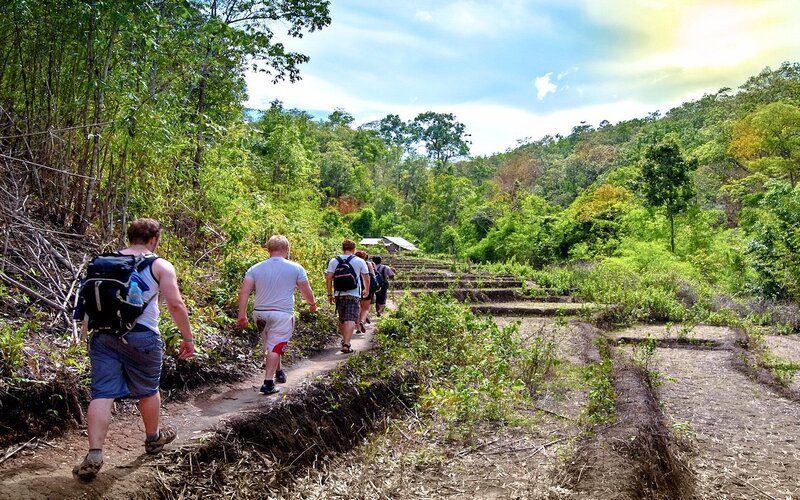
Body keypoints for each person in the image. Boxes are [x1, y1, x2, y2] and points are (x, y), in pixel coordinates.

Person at [73, 218, 194, 481]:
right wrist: (188, 337)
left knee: (102, 393)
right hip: (142, 337)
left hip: (103, 335)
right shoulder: (160, 265)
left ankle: (94, 453)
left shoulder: (103, 262)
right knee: (148, 390)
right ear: (154, 239)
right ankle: (153, 439)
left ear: (130, 237)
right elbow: (175, 304)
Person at [236, 235, 317, 395]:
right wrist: (312, 304)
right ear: (286, 250)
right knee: (276, 346)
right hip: (282, 314)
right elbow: (306, 290)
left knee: (270, 345)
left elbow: (244, 293)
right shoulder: (296, 268)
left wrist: (242, 314)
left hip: (259, 314)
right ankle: (268, 383)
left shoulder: (255, 268)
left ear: (268, 250)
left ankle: (279, 371)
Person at [325, 240, 370, 353]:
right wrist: (367, 289)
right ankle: (346, 343)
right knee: (350, 318)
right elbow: (366, 277)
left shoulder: (334, 260)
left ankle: (345, 339)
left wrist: (329, 293)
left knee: (342, 318)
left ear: (342, 248)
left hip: (339, 294)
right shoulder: (359, 261)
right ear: (354, 249)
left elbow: (329, 277)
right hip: (354, 294)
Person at [355, 250, 377, 333]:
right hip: (366, 286)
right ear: (365, 257)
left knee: (358, 307)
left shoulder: (353, 263)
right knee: (365, 308)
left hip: (356, 287)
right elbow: (372, 276)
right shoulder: (368, 264)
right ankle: (362, 321)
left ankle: (357, 328)